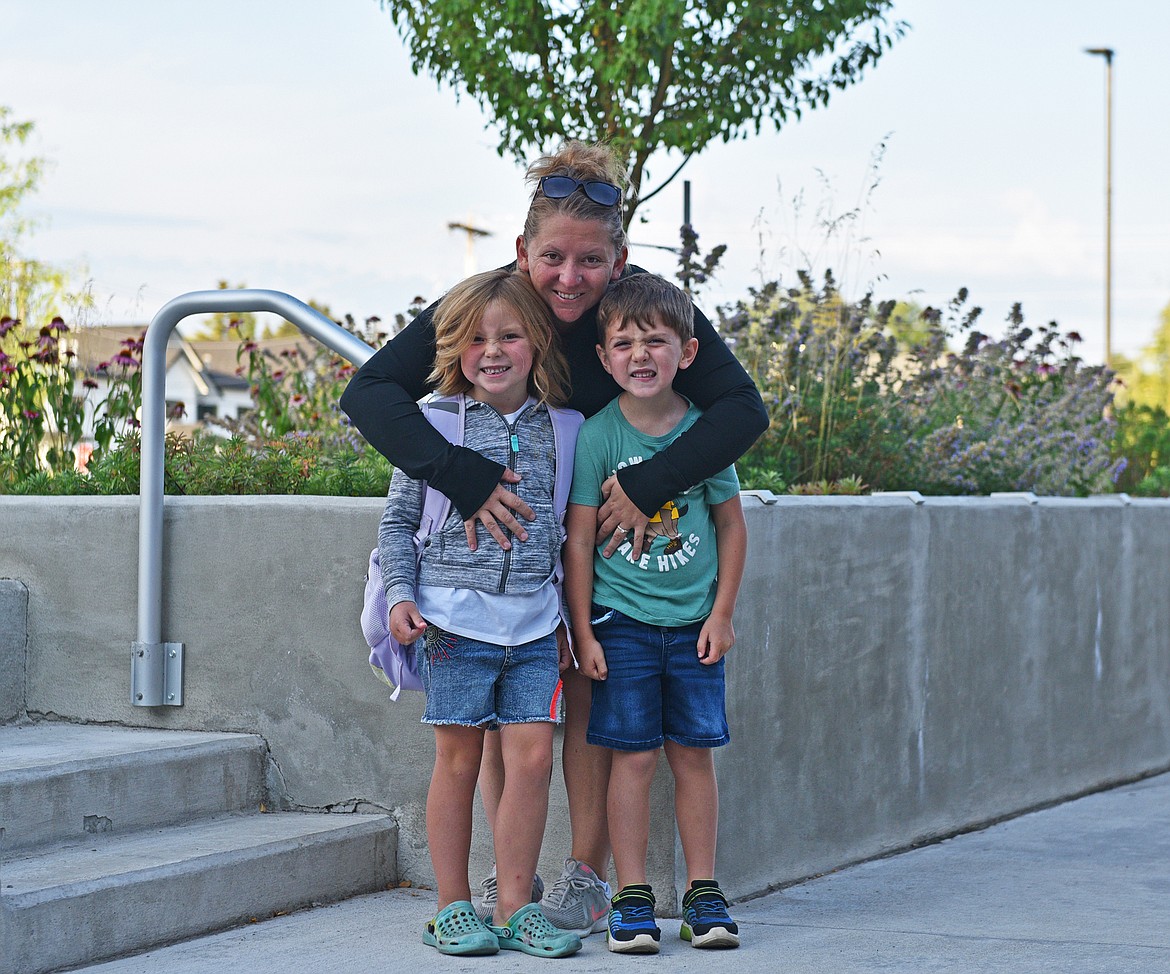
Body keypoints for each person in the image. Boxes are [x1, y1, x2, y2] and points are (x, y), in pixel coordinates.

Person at [340, 140, 767, 934]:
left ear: (621, 259)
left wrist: (647, 484)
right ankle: (511, 878)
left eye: (591, 260)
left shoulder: (640, 309)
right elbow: (369, 393)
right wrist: (462, 477)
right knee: (508, 736)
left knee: (594, 716)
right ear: (522, 252)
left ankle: (589, 877)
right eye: (553, 258)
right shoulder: (496, 306)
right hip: (514, 571)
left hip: (619, 565)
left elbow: (745, 412)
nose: (570, 278)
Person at [378, 268, 582, 958]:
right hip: (451, 624)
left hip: (533, 624)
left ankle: (518, 906)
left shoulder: (566, 429)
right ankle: (451, 907)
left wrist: (565, 621)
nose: (491, 351)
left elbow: (564, 530)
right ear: (453, 349)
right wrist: (402, 596)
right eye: (473, 339)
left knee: (530, 762)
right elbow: (399, 523)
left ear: (540, 341)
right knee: (458, 761)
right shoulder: (434, 423)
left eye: (510, 335)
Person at [563, 272, 748, 954]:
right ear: (605, 358)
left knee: (693, 757)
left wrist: (722, 613)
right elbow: (579, 539)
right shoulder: (598, 437)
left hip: (694, 624)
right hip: (624, 626)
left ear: (688, 353)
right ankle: (631, 894)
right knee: (632, 761)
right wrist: (582, 630)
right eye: (623, 343)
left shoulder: (706, 434)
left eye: (656, 341)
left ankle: (703, 890)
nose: (640, 355)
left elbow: (731, 526)